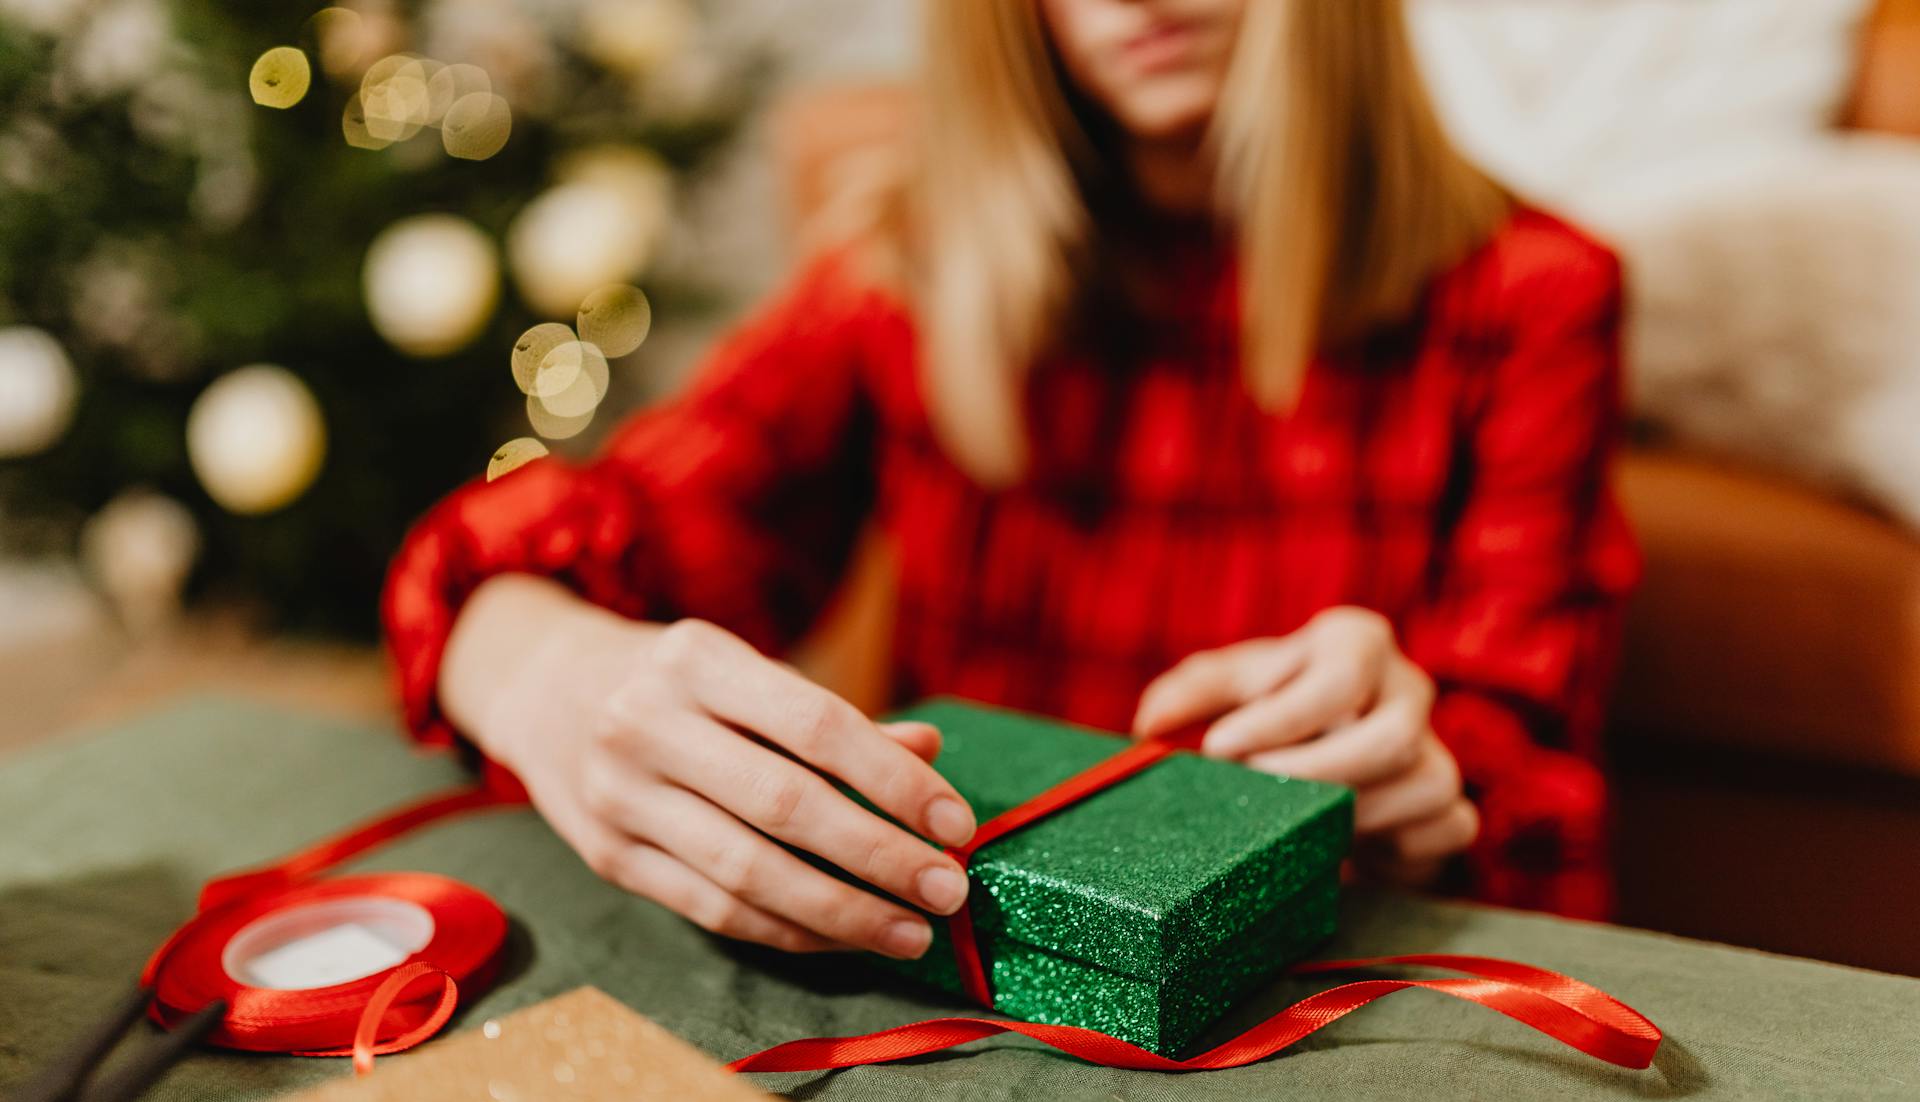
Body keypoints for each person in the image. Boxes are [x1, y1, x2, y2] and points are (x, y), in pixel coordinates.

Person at [383, 0, 1639, 964]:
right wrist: (533, 663)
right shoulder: (901, 261)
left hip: (1322, 996)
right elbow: (626, 519)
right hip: (956, 982)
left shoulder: (1534, 294)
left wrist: (1434, 786)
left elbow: (1531, 782)